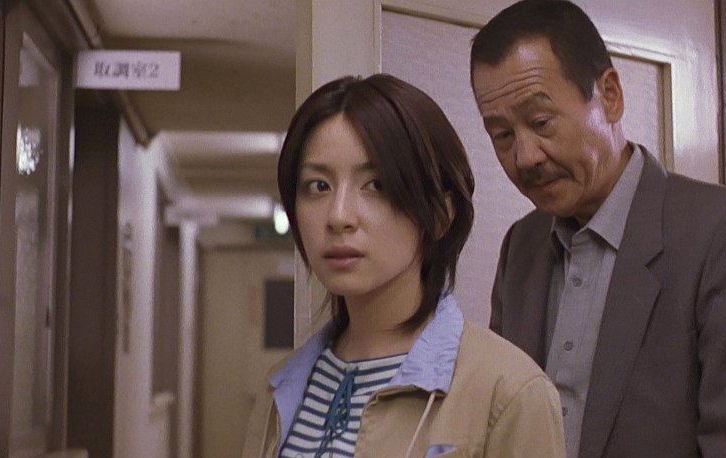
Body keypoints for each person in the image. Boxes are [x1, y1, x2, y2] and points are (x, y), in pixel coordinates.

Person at [468, 1, 726, 457]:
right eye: (502, 135)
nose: (525, 157)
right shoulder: (521, 246)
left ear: (610, 96)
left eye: (541, 122)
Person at [241, 74, 565, 458]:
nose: (339, 216)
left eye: (376, 185)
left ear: (441, 214)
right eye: (318, 186)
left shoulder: (508, 393)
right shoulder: (281, 389)